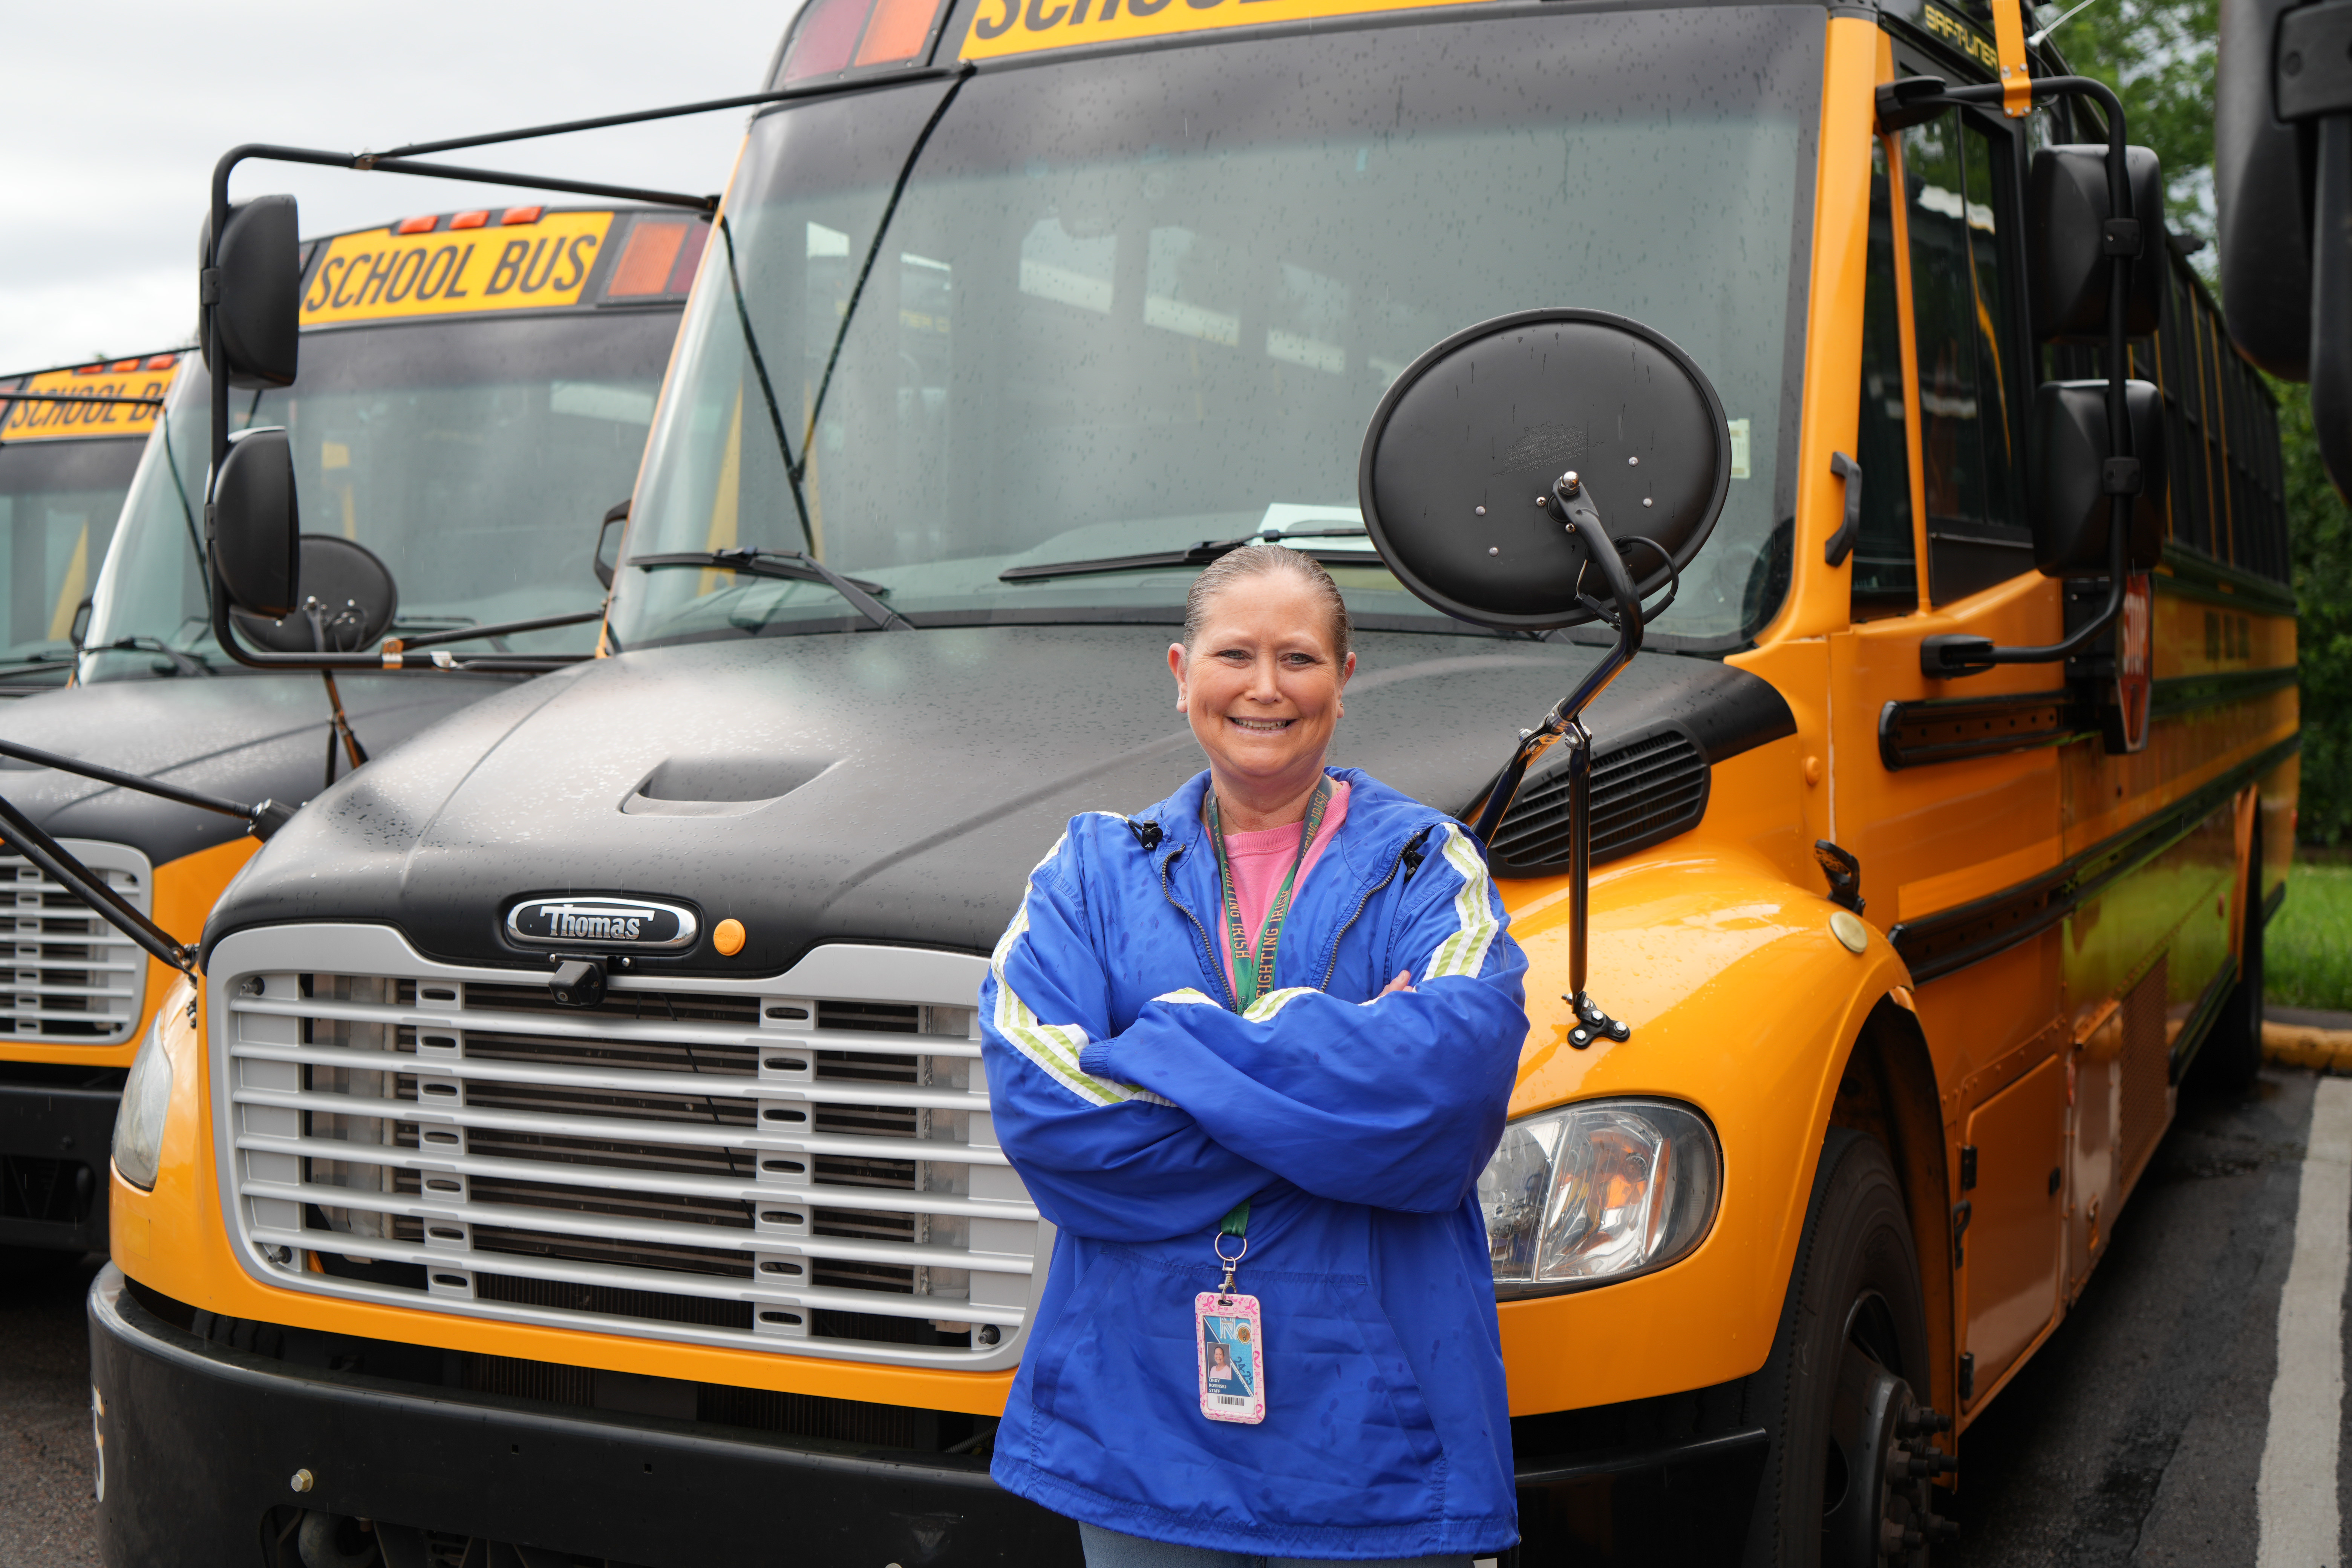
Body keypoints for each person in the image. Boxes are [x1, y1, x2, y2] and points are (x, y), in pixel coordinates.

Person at [978, 545, 1529, 1567]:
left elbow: (1449, 1092)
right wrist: (1336, 1082)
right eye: (1235, 654)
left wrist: (1163, 1044)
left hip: (1380, 1428)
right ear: (1182, 671)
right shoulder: (1089, 871)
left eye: (1300, 658)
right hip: (1140, 1421)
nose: (1266, 688)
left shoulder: (1428, 865)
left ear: (1345, 679)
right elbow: (1045, 1112)